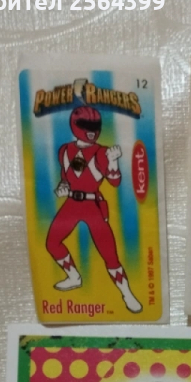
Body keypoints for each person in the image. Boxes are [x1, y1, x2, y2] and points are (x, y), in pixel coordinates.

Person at [46, 106, 142, 313]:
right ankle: (73, 276)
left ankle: (127, 293)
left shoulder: (102, 153)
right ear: (75, 125)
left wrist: (113, 162)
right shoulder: (65, 151)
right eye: (86, 125)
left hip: (93, 206)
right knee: (52, 242)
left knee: (110, 255)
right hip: (72, 204)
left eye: (94, 126)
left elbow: (115, 182)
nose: (91, 130)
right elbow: (66, 178)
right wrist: (63, 188)